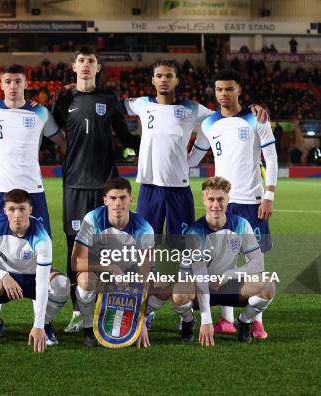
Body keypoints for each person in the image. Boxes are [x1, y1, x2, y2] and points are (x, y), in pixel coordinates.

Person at [124, 60, 268, 328]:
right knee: (146, 251)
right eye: (158, 75)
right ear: (152, 80)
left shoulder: (193, 109)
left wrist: (254, 107)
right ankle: (147, 310)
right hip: (149, 188)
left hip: (179, 190)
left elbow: (227, 111)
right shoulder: (140, 104)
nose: (163, 80)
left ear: (177, 80)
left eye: (169, 75)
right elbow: (109, 103)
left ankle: (186, 306)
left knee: (184, 252)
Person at [52, 47, 138, 333]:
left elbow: (126, 136)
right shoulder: (64, 99)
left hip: (106, 185)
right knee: (75, 247)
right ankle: (78, 311)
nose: (86, 65)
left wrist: (156, 143)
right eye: (81, 61)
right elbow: (46, 133)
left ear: (98, 68)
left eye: (91, 61)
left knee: (111, 247)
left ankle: (113, 303)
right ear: (73, 66)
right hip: (75, 184)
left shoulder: (109, 99)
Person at [188, 68, 278, 339]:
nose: (224, 94)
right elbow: (193, 158)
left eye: (229, 89)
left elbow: (271, 159)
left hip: (251, 201)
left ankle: (255, 319)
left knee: (255, 262)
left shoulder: (256, 118)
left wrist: (269, 196)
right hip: (222, 202)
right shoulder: (207, 124)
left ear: (239, 90)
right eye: (219, 90)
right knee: (220, 261)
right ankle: (225, 320)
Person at [172, 177, 275, 345]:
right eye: (211, 199)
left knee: (267, 285)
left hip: (226, 285)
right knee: (178, 292)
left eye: (220, 199)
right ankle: (188, 321)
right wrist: (206, 320)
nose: (216, 205)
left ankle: (243, 321)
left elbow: (258, 263)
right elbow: (199, 276)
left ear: (228, 199)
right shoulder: (195, 232)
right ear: (204, 200)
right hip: (199, 289)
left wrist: (229, 274)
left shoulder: (241, 224)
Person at [0, 64, 66, 236]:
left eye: (18, 81)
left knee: (41, 237)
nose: (13, 86)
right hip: (1, 186)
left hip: (31, 185)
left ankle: (44, 264)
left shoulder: (40, 111)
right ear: (1, 85)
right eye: (8, 81)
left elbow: (61, 140)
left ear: (26, 83)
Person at [0, 189, 69, 352]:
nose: (17, 214)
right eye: (12, 209)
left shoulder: (41, 237)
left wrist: (38, 325)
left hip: (34, 278)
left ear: (30, 210)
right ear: (5, 211)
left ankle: (45, 324)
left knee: (61, 284)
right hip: (5, 279)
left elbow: (42, 280)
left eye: (22, 209)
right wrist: (3, 275)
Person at [71, 178, 155, 347]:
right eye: (113, 198)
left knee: (162, 283)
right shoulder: (93, 219)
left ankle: (147, 317)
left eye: (123, 198)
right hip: (101, 276)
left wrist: (141, 320)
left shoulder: (143, 228)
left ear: (131, 199)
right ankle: (88, 329)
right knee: (85, 279)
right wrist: (110, 268)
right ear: (105, 200)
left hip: (127, 281)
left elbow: (144, 275)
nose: (118, 203)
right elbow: (76, 263)